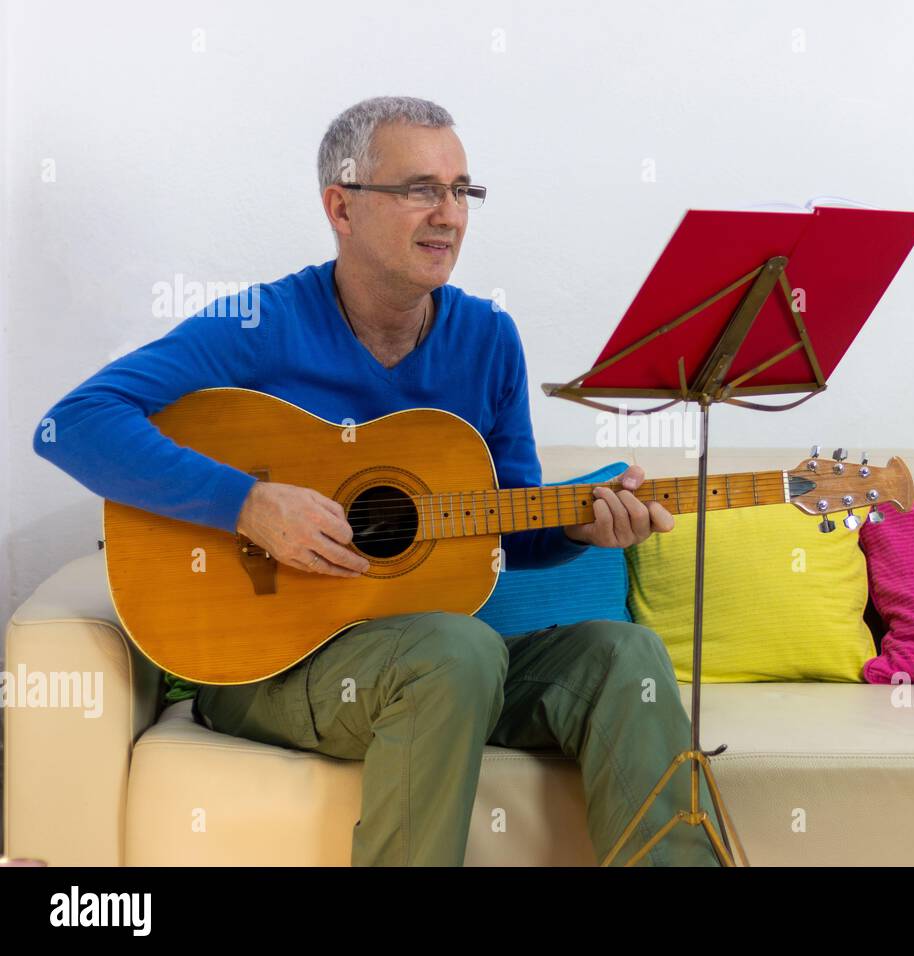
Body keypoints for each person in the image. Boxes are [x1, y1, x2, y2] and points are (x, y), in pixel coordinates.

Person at [32, 95, 722, 867]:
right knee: (456, 650)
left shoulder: (487, 339)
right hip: (269, 668)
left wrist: (573, 529)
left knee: (624, 655)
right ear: (342, 205)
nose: (450, 215)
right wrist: (249, 505)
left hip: (442, 664)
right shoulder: (263, 325)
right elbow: (76, 422)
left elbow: (505, 527)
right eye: (421, 189)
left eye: (463, 191)